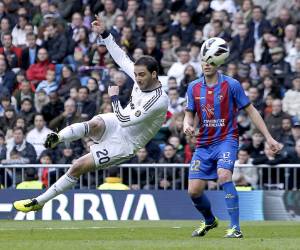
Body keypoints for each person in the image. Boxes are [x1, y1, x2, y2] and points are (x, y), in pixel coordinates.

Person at [13, 15, 168, 213]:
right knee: (94, 123)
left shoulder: (158, 99)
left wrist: (114, 98)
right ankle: (58, 137)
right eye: (135, 74)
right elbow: (120, 57)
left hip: (126, 142)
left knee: (78, 165)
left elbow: (127, 121)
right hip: (119, 122)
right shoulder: (140, 77)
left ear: (154, 74)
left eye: (141, 75)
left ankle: (39, 201)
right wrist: (104, 33)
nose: (137, 79)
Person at [184, 37, 282, 238]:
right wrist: (187, 124)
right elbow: (189, 112)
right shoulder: (193, 87)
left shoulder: (232, 85)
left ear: (218, 63)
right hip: (203, 144)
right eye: (204, 61)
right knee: (194, 191)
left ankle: (236, 228)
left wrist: (269, 138)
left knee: (224, 176)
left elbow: (252, 111)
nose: (207, 65)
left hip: (226, 140)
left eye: (211, 62)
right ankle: (210, 220)